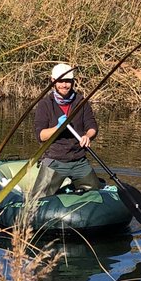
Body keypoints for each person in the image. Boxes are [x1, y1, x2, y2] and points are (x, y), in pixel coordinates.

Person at [33, 62, 100, 197]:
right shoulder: (45, 104)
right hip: (55, 160)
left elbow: (92, 126)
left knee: (96, 194)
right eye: (61, 81)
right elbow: (41, 135)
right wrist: (58, 128)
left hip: (79, 160)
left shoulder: (81, 102)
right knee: (37, 199)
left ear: (73, 82)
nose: (64, 85)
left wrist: (88, 136)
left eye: (68, 81)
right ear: (53, 81)